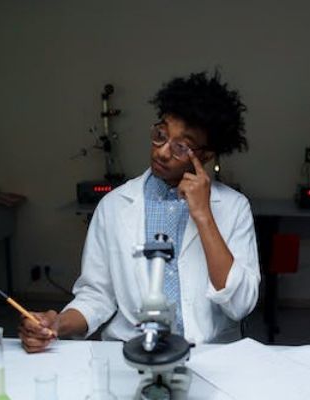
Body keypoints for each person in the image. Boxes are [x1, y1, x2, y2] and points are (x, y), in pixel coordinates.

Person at [19, 71, 260, 352]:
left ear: (205, 155)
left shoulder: (234, 207)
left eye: (181, 147)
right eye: (161, 135)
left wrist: (204, 216)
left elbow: (240, 305)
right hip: (132, 352)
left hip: (209, 355)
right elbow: (97, 296)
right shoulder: (114, 205)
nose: (162, 152)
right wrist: (57, 323)